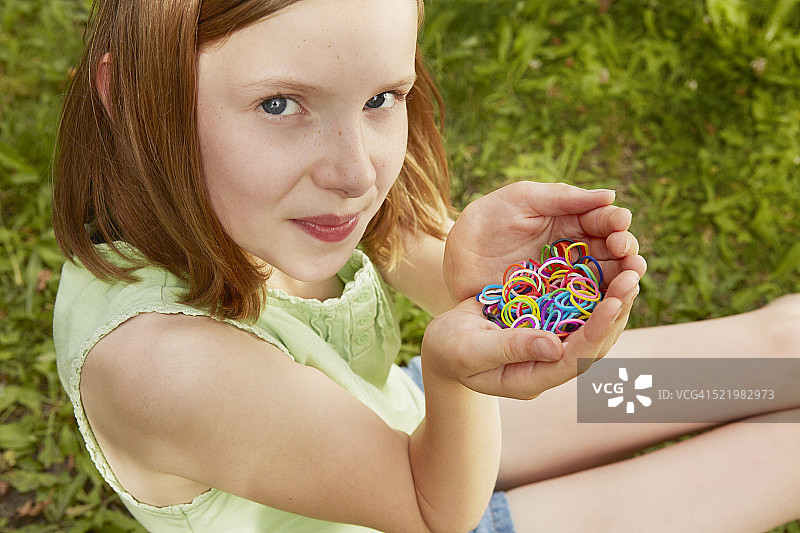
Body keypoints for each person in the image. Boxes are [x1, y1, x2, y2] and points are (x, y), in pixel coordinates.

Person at [51, 0, 800, 531]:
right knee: (785, 450)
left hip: (403, 416)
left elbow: (424, 263)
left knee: (778, 350)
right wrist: (455, 377)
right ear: (141, 101)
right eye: (281, 105)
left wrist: (472, 275)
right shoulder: (165, 367)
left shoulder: (279, 203)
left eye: (381, 96)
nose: (356, 172)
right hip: (428, 497)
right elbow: (436, 507)